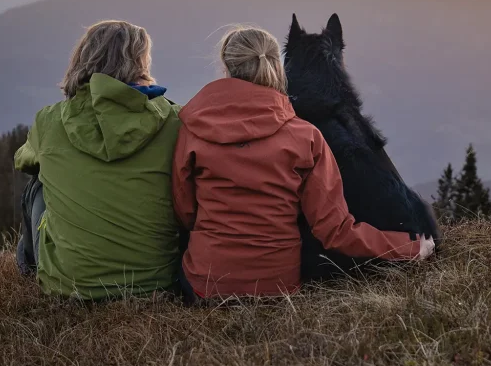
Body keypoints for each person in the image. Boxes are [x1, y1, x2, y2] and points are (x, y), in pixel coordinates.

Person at [172, 26, 434, 300]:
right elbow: (336, 232)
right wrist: (410, 248)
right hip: (277, 287)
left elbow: (185, 213)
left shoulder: (192, 129)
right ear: (276, 66)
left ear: (225, 66)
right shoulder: (305, 137)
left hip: (206, 285)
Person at [14, 20, 183, 299]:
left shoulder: (50, 120)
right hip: (156, 282)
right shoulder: (174, 120)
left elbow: (23, 161)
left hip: (71, 286)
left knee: (37, 183)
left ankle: (31, 268)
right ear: (140, 64)